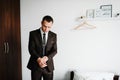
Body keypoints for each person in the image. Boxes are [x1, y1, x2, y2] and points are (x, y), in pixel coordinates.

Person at [27, 15, 57, 80]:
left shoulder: (54, 35)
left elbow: (55, 50)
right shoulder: (33, 34)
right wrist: (39, 59)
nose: (46, 29)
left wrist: (46, 58)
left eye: (49, 27)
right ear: (41, 23)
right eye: (45, 26)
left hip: (48, 66)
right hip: (35, 65)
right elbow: (31, 49)